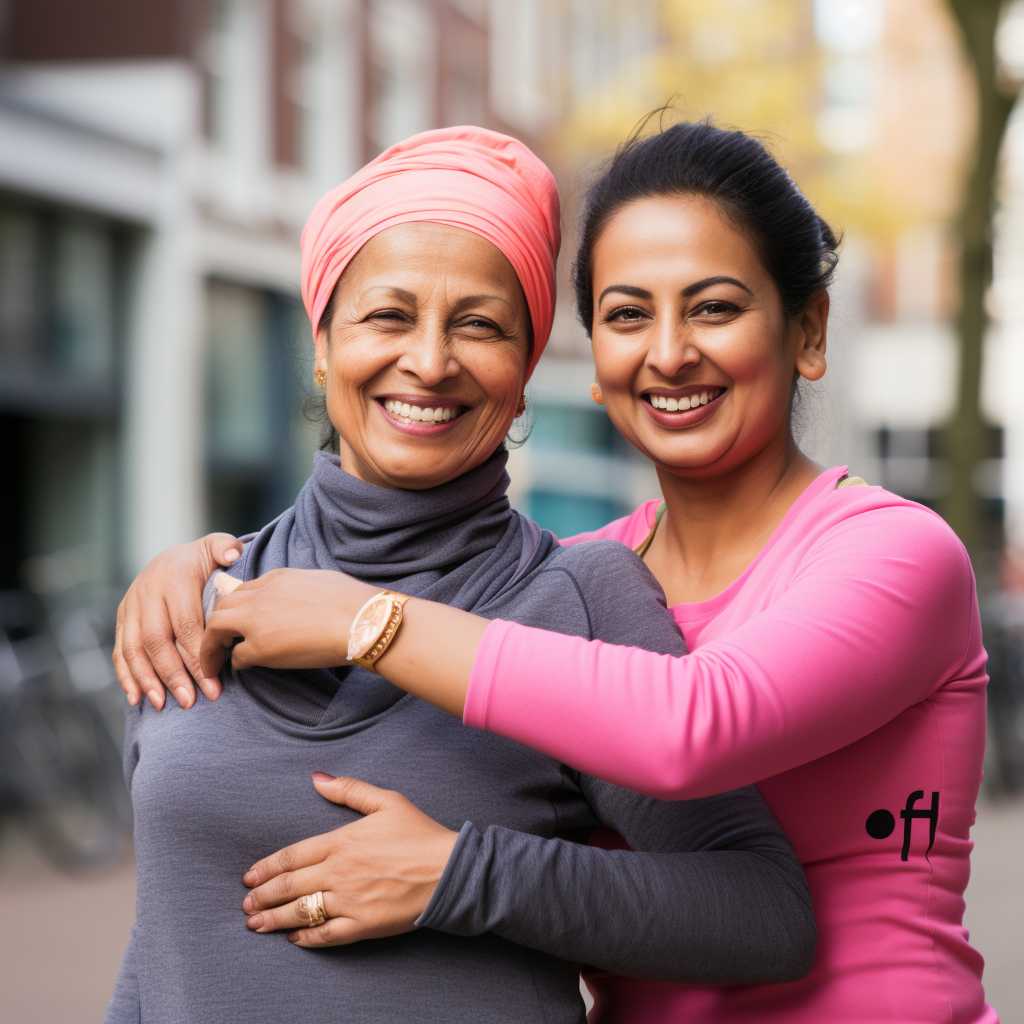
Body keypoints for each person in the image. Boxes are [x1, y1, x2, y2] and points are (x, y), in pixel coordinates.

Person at [119, 119, 995, 1022]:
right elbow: (167, 936)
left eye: (715, 307)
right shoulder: (583, 568)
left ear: (808, 330)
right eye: (626, 314)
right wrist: (189, 569)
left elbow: (687, 727)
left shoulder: (888, 552)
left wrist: (367, 626)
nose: (667, 352)